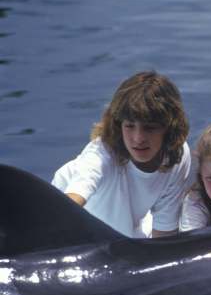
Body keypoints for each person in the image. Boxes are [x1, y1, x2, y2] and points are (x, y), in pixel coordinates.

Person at [52, 71, 191, 238]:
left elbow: (164, 232)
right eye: (129, 126)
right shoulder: (101, 153)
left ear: (169, 128)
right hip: (67, 213)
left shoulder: (178, 155)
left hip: (128, 223)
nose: (138, 139)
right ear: (118, 125)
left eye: (150, 127)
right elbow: (77, 193)